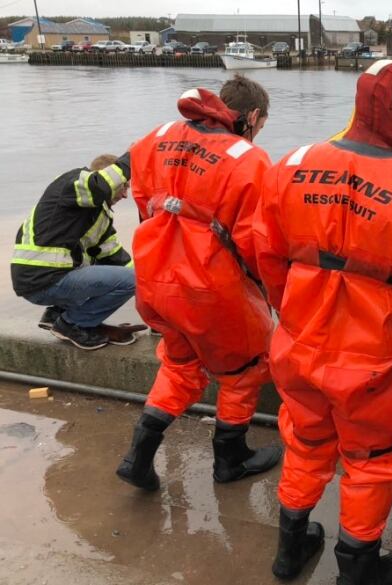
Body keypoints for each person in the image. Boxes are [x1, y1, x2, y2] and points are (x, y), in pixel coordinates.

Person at [252, 60, 392, 584]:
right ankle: (358, 572)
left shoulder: (292, 164)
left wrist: (298, 311)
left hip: (298, 345)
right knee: (373, 461)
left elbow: (266, 254)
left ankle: (289, 551)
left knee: (305, 441)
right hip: (378, 361)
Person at [115, 74, 281, 492]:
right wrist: (272, 294)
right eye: (261, 125)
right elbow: (257, 241)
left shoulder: (157, 137)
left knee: (180, 365)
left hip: (155, 281)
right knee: (244, 370)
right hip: (210, 288)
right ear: (253, 116)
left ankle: (139, 455)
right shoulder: (249, 159)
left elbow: (142, 201)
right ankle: (230, 459)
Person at [11, 154, 138, 350]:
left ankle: (58, 314)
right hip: (43, 279)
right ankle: (72, 324)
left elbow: (116, 260)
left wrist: (152, 287)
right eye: (123, 186)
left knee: (128, 276)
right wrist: (135, 153)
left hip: (40, 280)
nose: (125, 195)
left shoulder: (98, 213)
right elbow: (98, 185)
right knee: (133, 280)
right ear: (105, 177)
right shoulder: (73, 182)